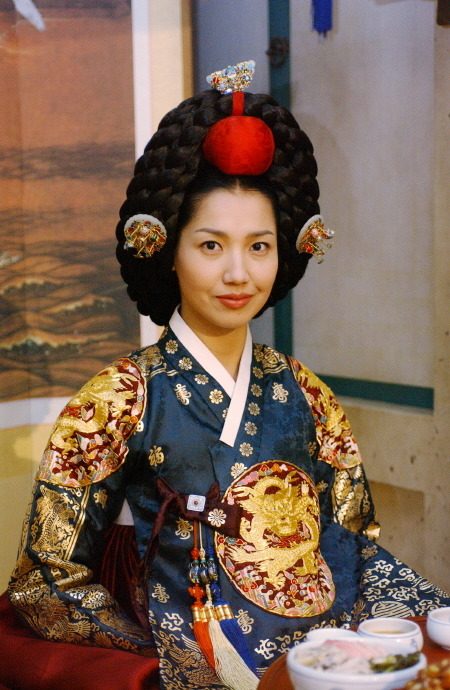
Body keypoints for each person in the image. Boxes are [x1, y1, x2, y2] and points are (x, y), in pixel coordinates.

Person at [6, 61, 450, 690]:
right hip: (193, 657)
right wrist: (161, 660)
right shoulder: (119, 398)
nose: (239, 273)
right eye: (211, 245)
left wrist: (403, 624)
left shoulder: (306, 393)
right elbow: (46, 580)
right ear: (170, 250)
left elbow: (351, 541)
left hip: (319, 659)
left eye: (259, 246)